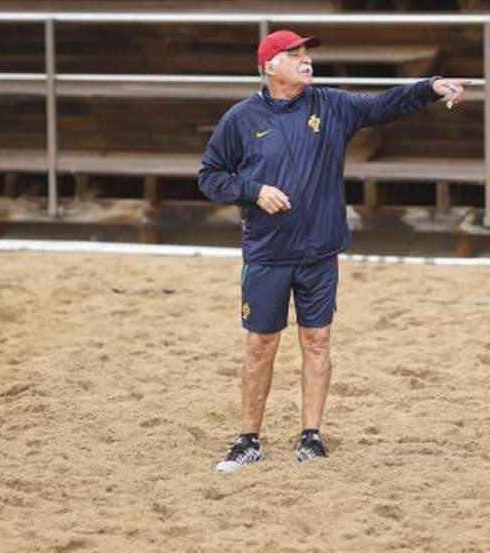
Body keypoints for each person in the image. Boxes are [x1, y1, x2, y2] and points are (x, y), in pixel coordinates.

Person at [198, 29, 468, 473]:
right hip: (267, 252)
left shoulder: (332, 105)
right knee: (261, 344)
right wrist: (252, 190)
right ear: (269, 66)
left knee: (317, 340)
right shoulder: (240, 119)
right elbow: (210, 176)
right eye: (295, 54)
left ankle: (311, 436)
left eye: (307, 53)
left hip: (321, 249)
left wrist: (431, 88)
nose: (306, 60)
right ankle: (248, 439)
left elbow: (384, 104)